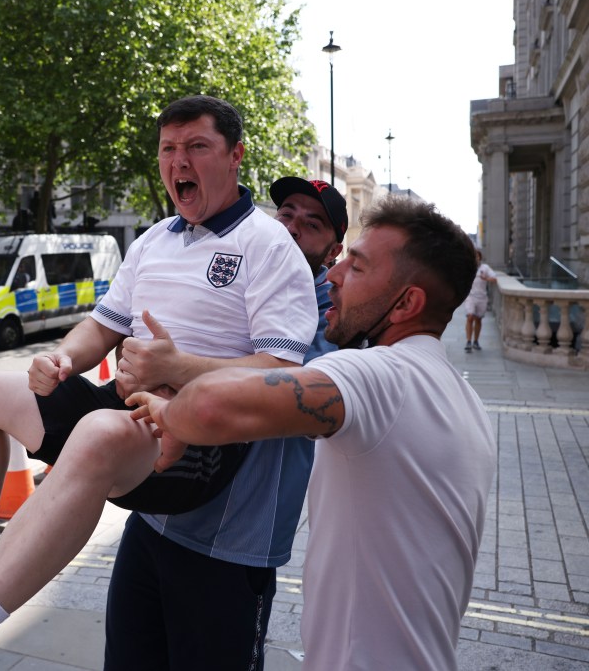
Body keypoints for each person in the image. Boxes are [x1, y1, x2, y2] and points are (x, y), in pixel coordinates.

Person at [0, 95, 318, 671]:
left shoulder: (267, 245)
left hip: (196, 438)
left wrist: (177, 369)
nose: (178, 161)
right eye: (168, 148)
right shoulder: (154, 239)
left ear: (235, 156)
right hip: (124, 416)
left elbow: (284, 373)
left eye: (197, 147)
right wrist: (62, 360)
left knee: (95, 434)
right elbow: (101, 326)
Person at [127, 195, 497, 671]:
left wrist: (171, 409)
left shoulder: (377, 374)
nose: (335, 275)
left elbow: (210, 405)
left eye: (357, 268)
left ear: (407, 303)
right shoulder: (464, 399)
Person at [104, 176, 347, 671]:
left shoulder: (333, 319)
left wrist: (174, 367)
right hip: (154, 516)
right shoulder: (237, 273)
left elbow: (288, 389)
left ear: (334, 249)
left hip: (235, 541)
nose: (294, 227)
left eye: (313, 223)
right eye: (287, 214)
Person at [464, 247, 496, 352]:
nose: (476, 258)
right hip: (471, 297)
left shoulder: (485, 268)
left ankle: (476, 341)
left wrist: (485, 278)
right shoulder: (467, 267)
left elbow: (494, 279)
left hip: (482, 297)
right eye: (474, 256)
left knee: (478, 319)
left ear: (480, 257)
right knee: (470, 317)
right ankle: (468, 341)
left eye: (477, 256)